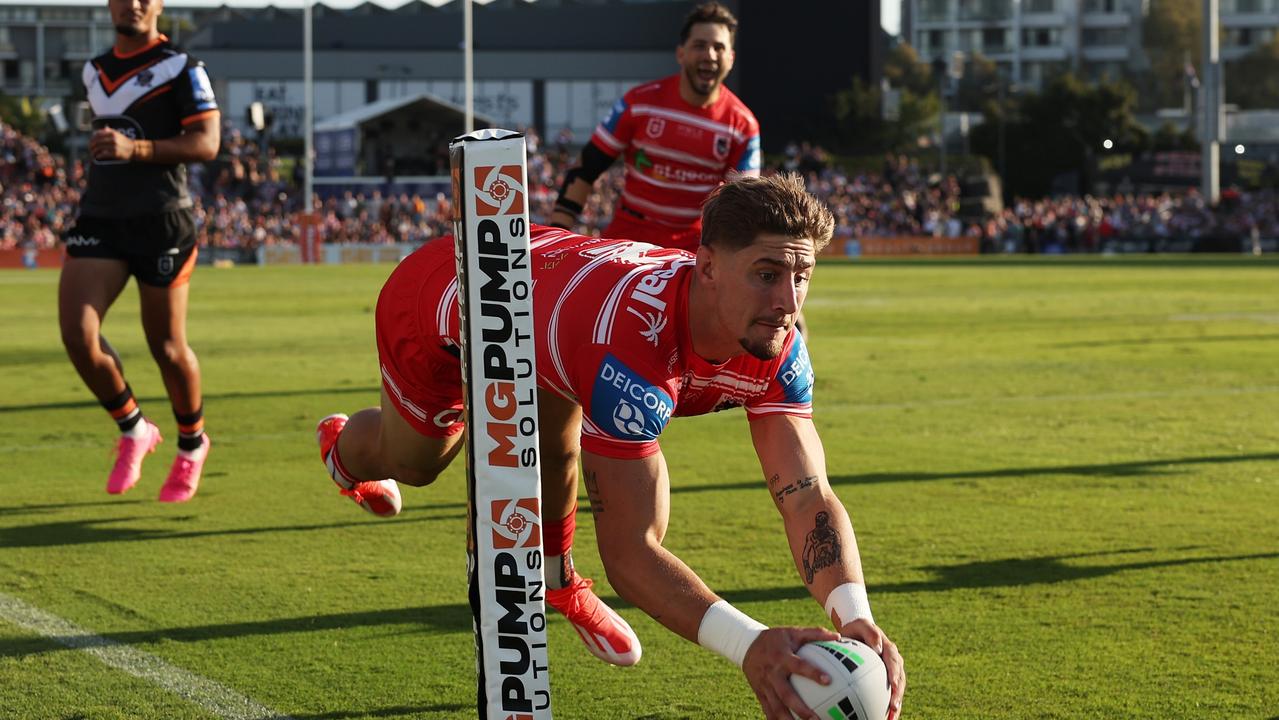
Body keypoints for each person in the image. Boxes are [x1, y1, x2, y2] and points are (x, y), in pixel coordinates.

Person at [316, 174, 905, 720]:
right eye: (767, 273)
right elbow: (630, 553)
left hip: (551, 310)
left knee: (559, 438)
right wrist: (750, 645)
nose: (788, 300)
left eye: (801, 276)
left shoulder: (780, 346)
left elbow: (806, 497)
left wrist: (855, 617)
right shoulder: (633, 351)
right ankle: (343, 450)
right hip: (446, 295)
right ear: (706, 267)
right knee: (418, 461)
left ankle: (555, 578)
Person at [60, 0, 220, 502]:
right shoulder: (93, 71)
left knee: (167, 349)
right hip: (101, 215)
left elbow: (208, 142)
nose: (132, 3)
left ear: (159, 5)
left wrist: (139, 150)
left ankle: (192, 445)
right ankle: (134, 429)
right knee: (79, 336)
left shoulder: (181, 66)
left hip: (162, 219)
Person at [547, 2, 760, 253]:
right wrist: (555, 242)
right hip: (627, 239)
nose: (710, 55)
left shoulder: (743, 125)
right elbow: (586, 168)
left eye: (719, 47)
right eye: (700, 46)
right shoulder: (639, 104)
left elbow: (744, 203)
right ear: (681, 53)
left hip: (693, 250)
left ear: (731, 58)